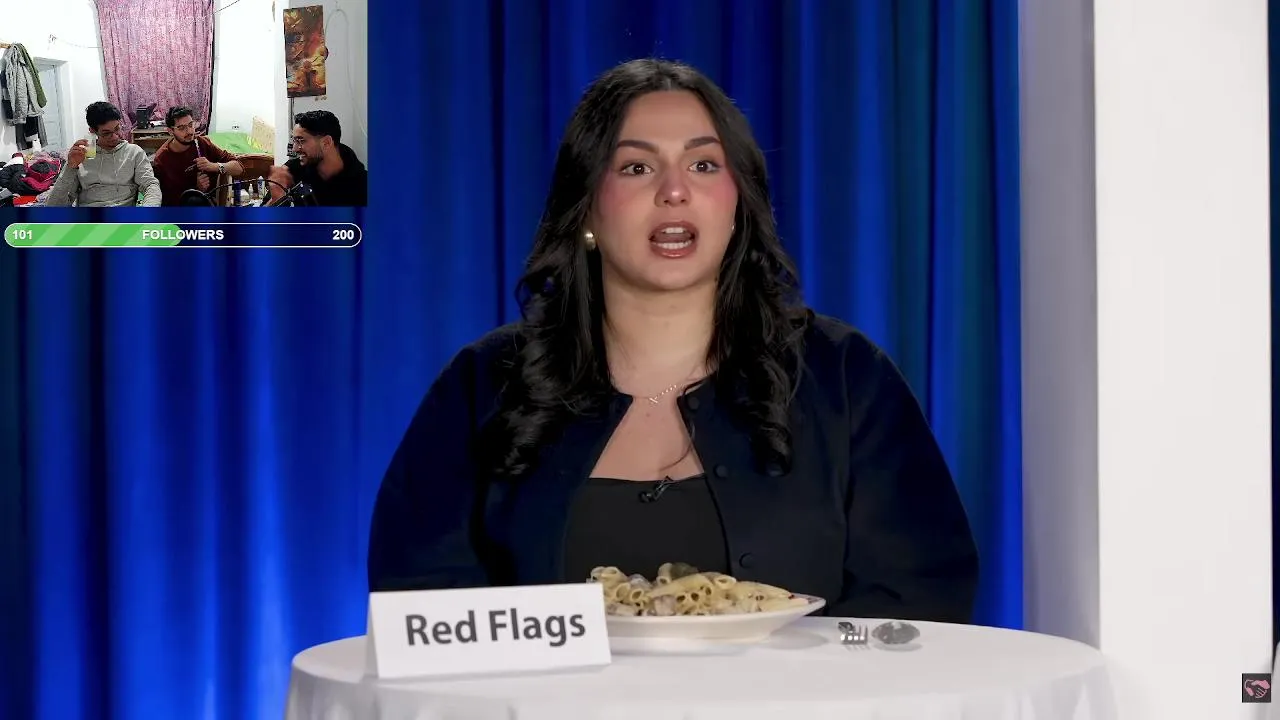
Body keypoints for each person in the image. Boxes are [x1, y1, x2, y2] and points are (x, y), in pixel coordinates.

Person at [367, 59, 980, 623]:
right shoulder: (485, 383)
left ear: (738, 203)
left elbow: (919, 595)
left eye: (704, 165)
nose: (674, 190)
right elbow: (421, 599)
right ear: (586, 209)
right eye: (636, 167)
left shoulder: (844, 376)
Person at [45, 101, 161, 207]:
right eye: (106, 133)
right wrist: (70, 167)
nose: (115, 136)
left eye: (117, 128)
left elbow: (151, 185)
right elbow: (53, 207)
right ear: (92, 131)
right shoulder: (81, 156)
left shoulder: (134, 152)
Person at [266, 110, 366, 206]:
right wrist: (276, 199)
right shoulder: (292, 170)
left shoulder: (364, 184)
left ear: (326, 142)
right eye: (294, 141)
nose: (295, 149)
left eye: (301, 140)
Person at [150, 105, 244, 206]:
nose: (190, 131)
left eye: (191, 125)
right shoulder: (162, 160)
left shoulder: (202, 143)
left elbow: (239, 167)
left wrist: (213, 166)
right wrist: (196, 189)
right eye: (182, 128)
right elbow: (164, 201)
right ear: (170, 131)